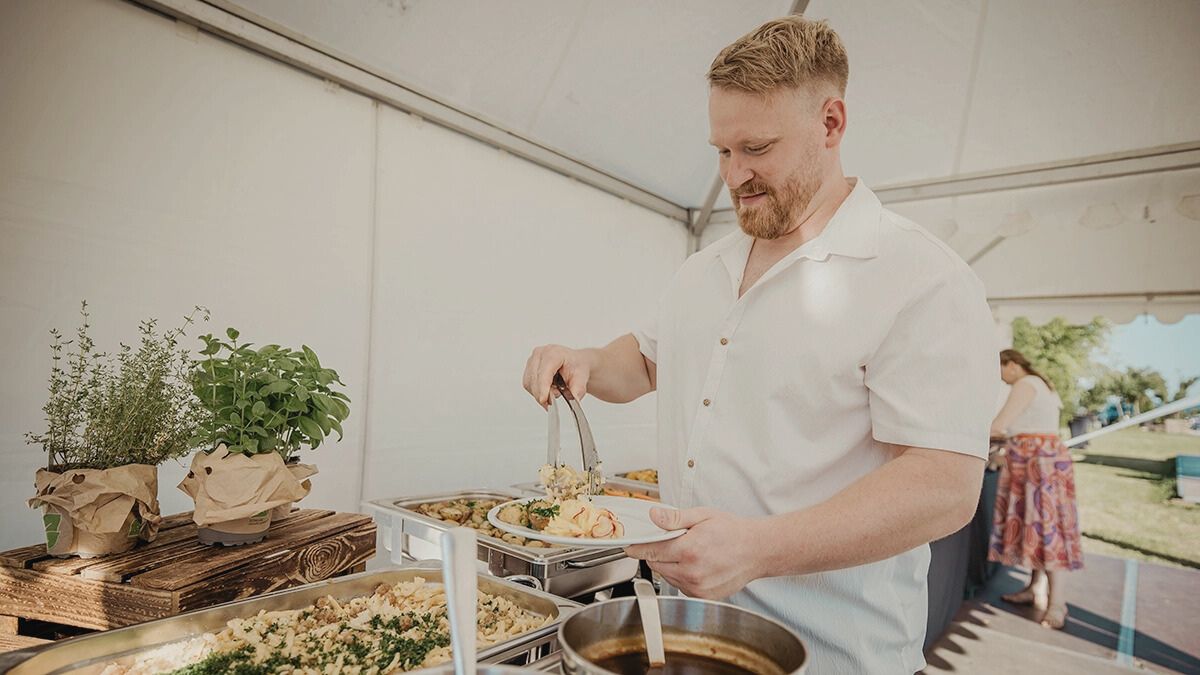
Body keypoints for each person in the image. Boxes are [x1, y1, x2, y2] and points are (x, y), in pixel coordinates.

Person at [522, 16, 997, 673]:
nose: (733, 174)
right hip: (682, 639)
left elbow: (944, 486)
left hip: (840, 658)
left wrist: (760, 547)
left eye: (756, 148)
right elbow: (644, 362)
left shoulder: (921, 277)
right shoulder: (702, 271)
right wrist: (587, 361)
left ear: (831, 123)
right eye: (721, 151)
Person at [988, 349, 1084, 629]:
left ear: (1013, 365)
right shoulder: (1043, 385)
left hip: (1037, 465)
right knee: (1038, 527)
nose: (1002, 379)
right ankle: (1034, 586)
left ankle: (1057, 603)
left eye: (1001, 371)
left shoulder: (1025, 384)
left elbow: (1000, 425)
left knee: (1046, 530)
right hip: (1044, 461)